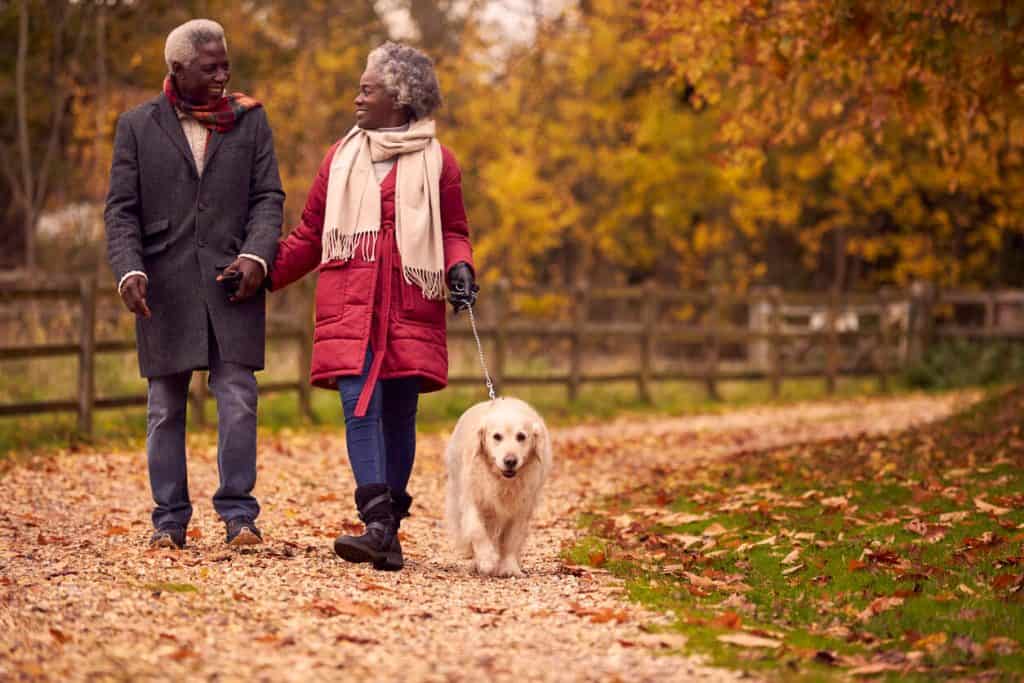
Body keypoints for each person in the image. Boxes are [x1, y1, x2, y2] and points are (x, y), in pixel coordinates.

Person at [268, 42, 477, 571]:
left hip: (411, 303)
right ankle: (378, 523)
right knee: (359, 406)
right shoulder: (340, 158)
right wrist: (264, 273)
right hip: (352, 307)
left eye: (369, 89)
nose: (357, 98)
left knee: (399, 413)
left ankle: (386, 534)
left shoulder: (439, 162)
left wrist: (461, 267)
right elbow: (312, 234)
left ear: (401, 99)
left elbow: (453, 230)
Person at [104, 19, 284, 549]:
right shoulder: (136, 126)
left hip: (235, 281)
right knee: (164, 408)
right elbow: (120, 211)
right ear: (178, 69)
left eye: (226, 63)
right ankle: (169, 521)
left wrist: (257, 254)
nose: (223, 75)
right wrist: (128, 270)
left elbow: (269, 197)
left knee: (238, 398)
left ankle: (239, 516)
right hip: (164, 287)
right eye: (211, 67)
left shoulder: (251, 121)